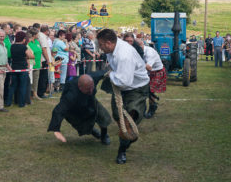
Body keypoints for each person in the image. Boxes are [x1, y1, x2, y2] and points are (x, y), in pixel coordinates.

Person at [97, 29, 150, 164]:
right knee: (117, 115)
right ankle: (128, 135)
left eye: (101, 45)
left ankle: (122, 151)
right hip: (122, 87)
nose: (100, 48)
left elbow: (124, 81)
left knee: (127, 120)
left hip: (136, 88)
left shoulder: (124, 55)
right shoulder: (112, 49)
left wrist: (111, 75)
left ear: (108, 43)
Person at [47, 71, 112, 145]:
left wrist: (110, 73)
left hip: (90, 100)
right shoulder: (71, 96)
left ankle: (104, 135)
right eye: (88, 89)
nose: (91, 90)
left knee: (102, 115)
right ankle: (92, 131)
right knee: (82, 125)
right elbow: (58, 110)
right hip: (73, 108)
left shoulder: (93, 77)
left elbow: (105, 73)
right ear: (80, 87)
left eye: (92, 87)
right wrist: (56, 129)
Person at [135, 39, 166, 118]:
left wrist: (136, 62)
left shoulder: (150, 52)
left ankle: (152, 108)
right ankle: (143, 109)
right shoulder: (137, 51)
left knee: (150, 91)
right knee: (143, 90)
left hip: (156, 71)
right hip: (147, 72)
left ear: (141, 45)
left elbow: (149, 67)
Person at [6, 31, 34, 108]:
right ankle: (21, 103)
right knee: (22, 86)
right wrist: (26, 57)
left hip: (14, 68)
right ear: (23, 39)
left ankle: (8, 102)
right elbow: (31, 56)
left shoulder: (12, 46)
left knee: (12, 86)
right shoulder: (24, 47)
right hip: (23, 69)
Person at [28, 28, 42, 100]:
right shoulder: (28, 43)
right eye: (37, 34)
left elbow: (40, 52)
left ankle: (35, 94)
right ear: (34, 35)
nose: (38, 35)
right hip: (30, 64)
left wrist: (40, 61)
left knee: (36, 79)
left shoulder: (37, 42)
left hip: (37, 64)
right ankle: (29, 94)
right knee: (30, 80)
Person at [37, 25, 51, 98]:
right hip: (44, 60)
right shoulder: (42, 36)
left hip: (43, 59)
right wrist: (48, 60)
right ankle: (41, 92)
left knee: (43, 77)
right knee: (43, 77)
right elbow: (44, 49)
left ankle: (41, 92)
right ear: (47, 31)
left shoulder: (41, 36)